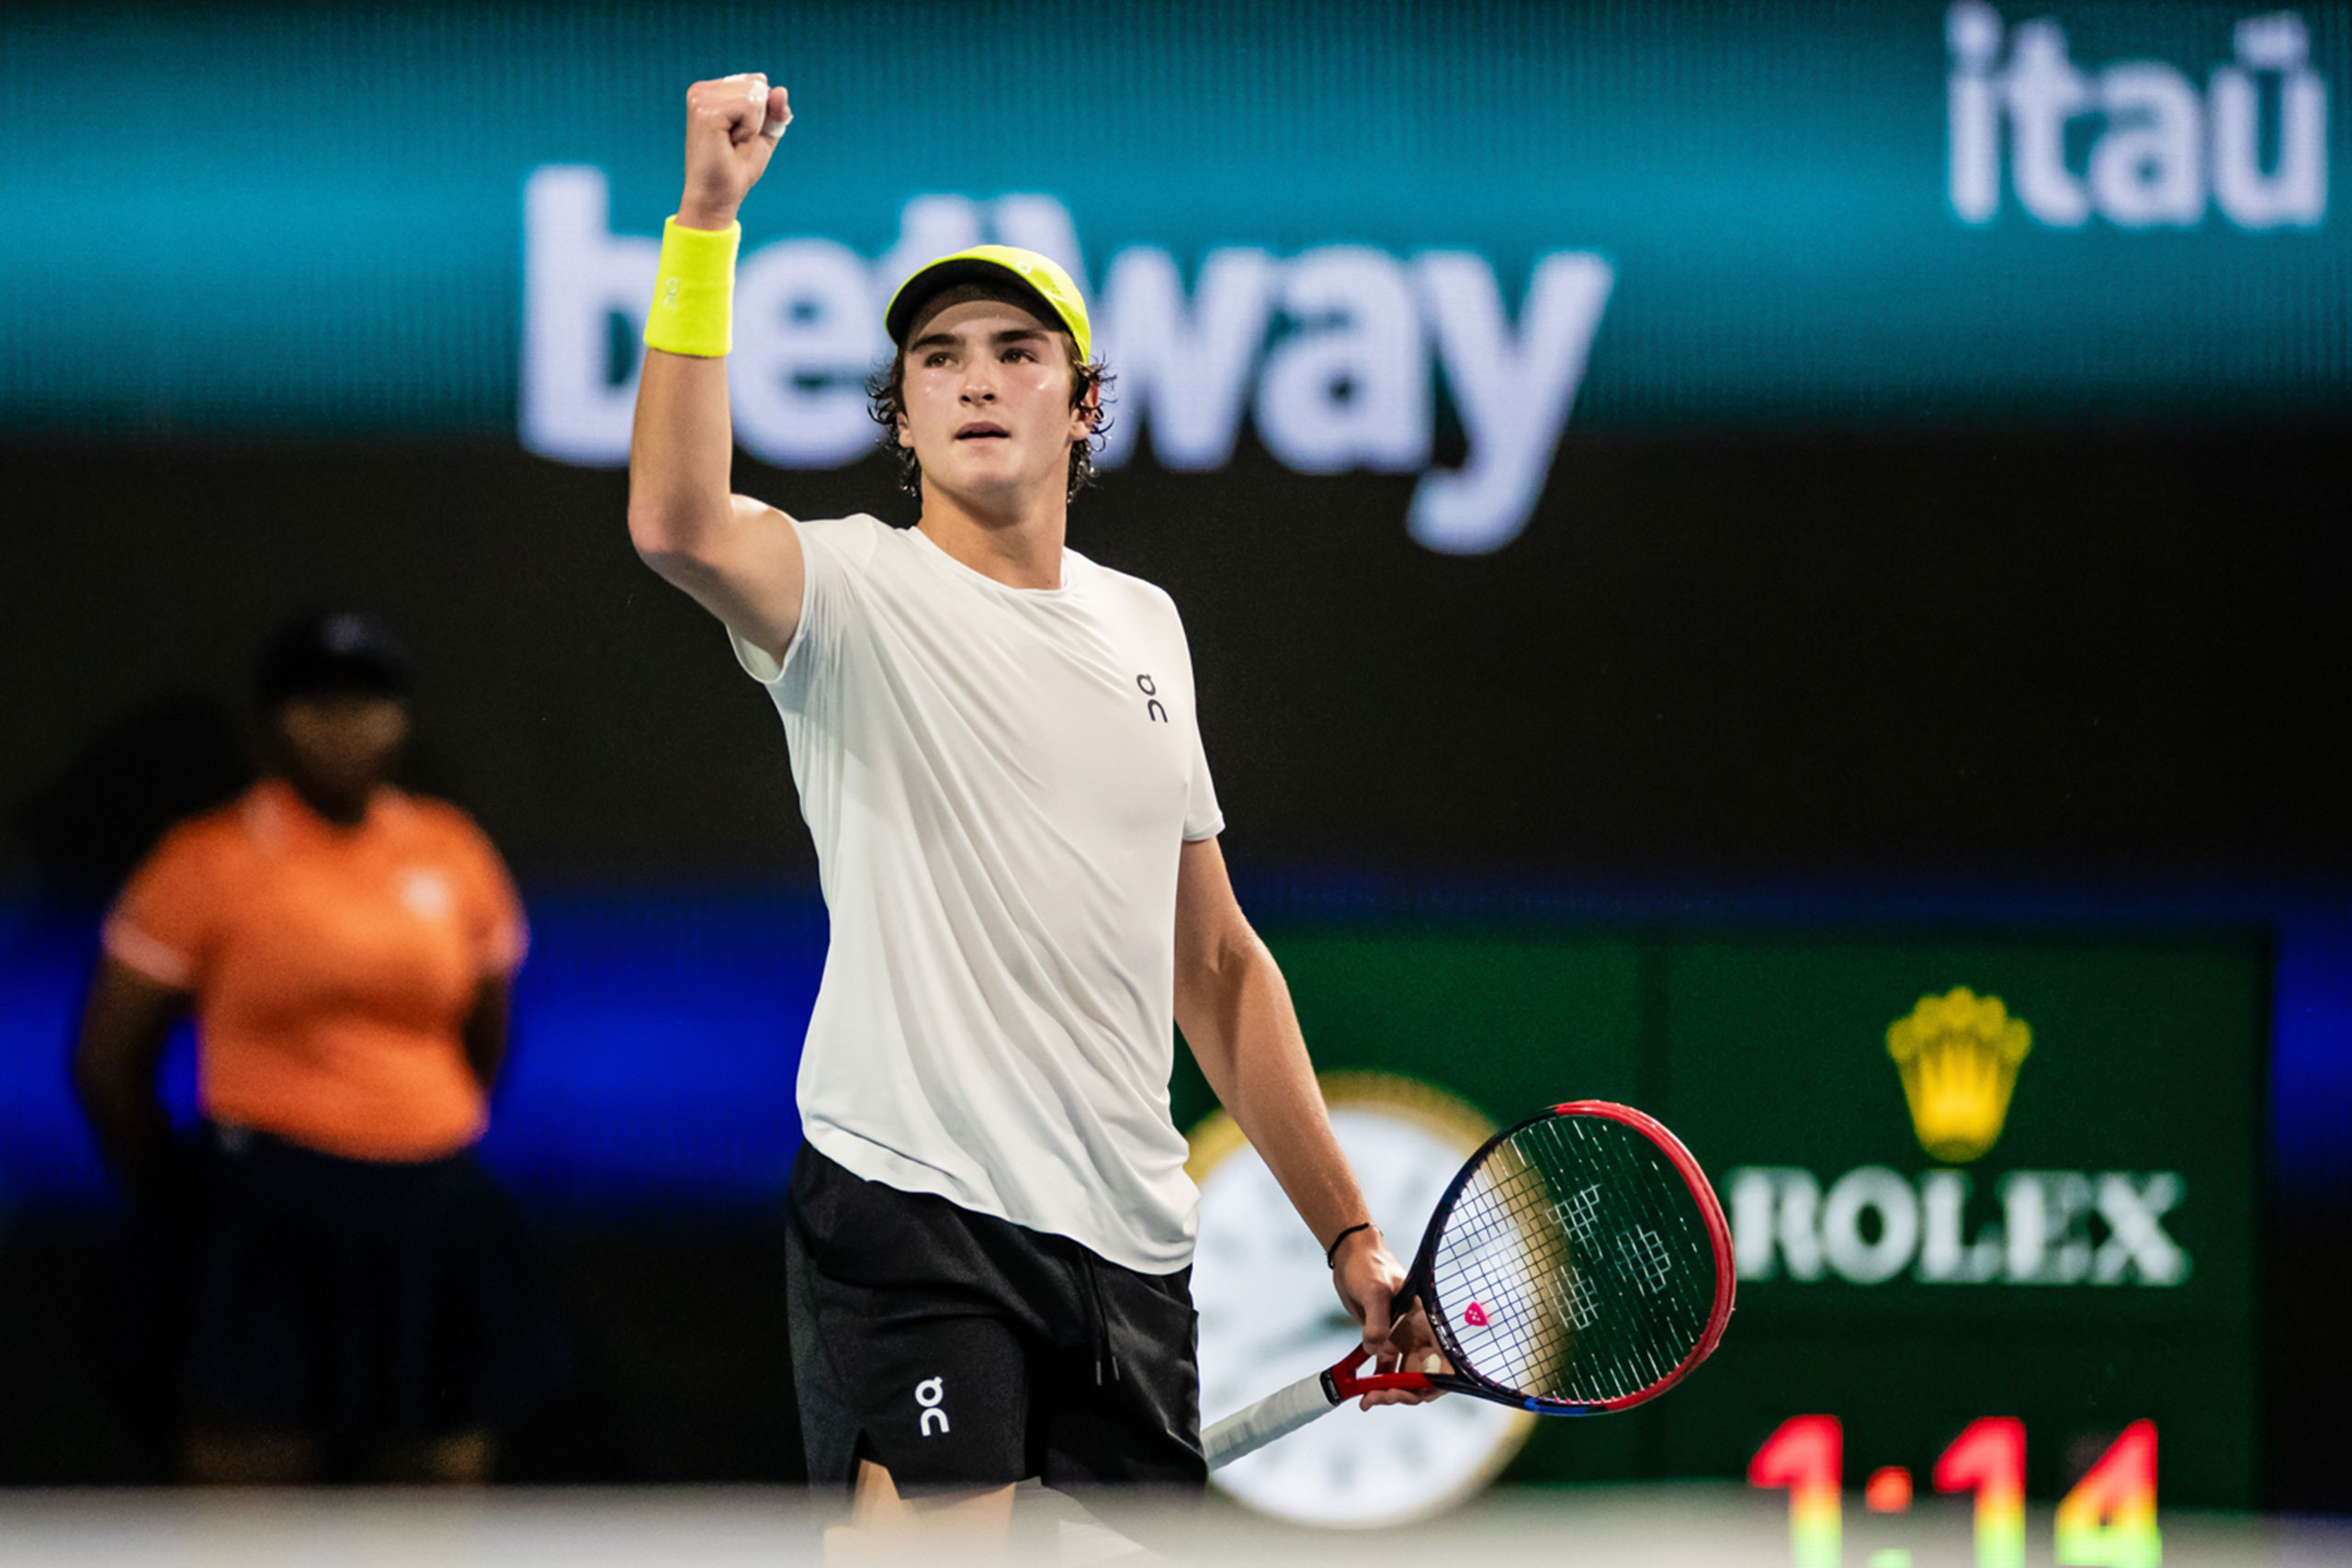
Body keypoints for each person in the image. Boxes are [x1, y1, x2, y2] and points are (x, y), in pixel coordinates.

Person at [626, 73, 1441, 1536]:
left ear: (1083, 406)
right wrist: (704, 222)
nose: (978, 378)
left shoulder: (1146, 625)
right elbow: (676, 521)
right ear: (905, 413)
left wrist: (1352, 1233)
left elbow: (1216, 965)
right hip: (913, 1196)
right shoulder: (849, 590)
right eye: (939, 357)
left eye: (1017, 351)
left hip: (1129, 1236)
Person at [73, 611, 560, 1483]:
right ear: (272, 720)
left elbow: (487, 1027)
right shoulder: (205, 858)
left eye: (369, 704)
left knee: (436, 1477)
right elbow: (109, 1059)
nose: (345, 729)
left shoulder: (450, 849)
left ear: (402, 718)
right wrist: (182, 1194)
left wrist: (415, 1127)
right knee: (252, 1491)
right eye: (318, 705)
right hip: (267, 1216)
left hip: (430, 1209)